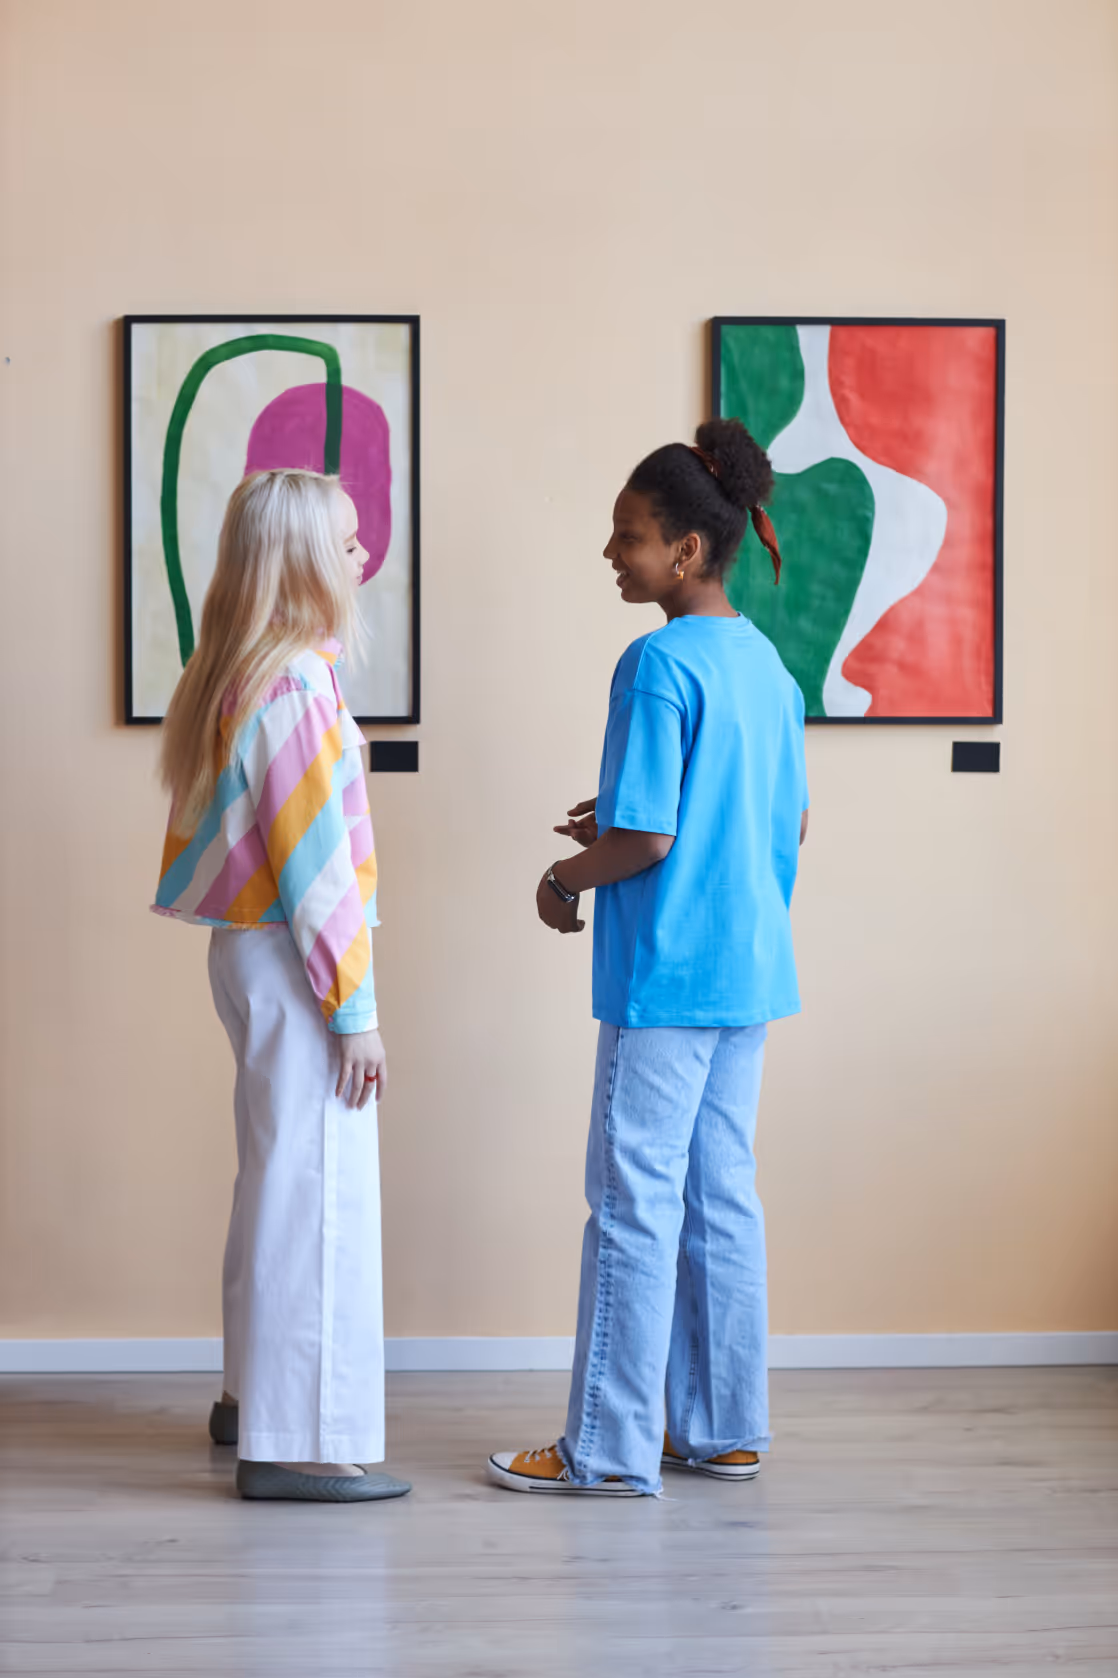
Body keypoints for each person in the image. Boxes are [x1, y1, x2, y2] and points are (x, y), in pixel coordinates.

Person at [488, 419, 808, 1497]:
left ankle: (606, 1447)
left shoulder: (653, 660)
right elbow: (779, 820)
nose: (610, 553)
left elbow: (653, 841)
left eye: (627, 536)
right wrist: (618, 828)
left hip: (664, 978)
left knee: (632, 1206)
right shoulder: (765, 664)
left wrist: (562, 879)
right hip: (748, 973)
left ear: (683, 552)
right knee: (720, 1200)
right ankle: (723, 1429)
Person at [152, 468, 410, 1504]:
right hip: (297, 961)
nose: (362, 554)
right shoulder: (294, 683)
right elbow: (318, 872)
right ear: (302, 559)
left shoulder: (245, 674)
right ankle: (297, 1440)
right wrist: (356, 1012)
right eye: (345, 541)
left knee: (275, 1176)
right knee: (319, 1192)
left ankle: (245, 1396)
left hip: (252, 953)